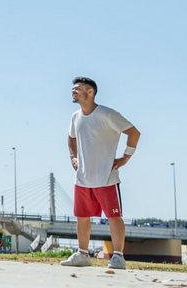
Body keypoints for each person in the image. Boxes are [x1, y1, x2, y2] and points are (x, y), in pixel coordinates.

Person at [60, 76, 140, 270]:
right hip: (82, 178)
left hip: (106, 177)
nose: (73, 91)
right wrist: (73, 157)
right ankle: (82, 254)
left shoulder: (107, 114)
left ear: (90, 92)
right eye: (73, 89)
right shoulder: (75, 117)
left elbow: (134, 133)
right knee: (82, 217)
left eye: (77, 88)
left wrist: (125, 158)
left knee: (114, 216)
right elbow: (71, 139)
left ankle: (118, 257)